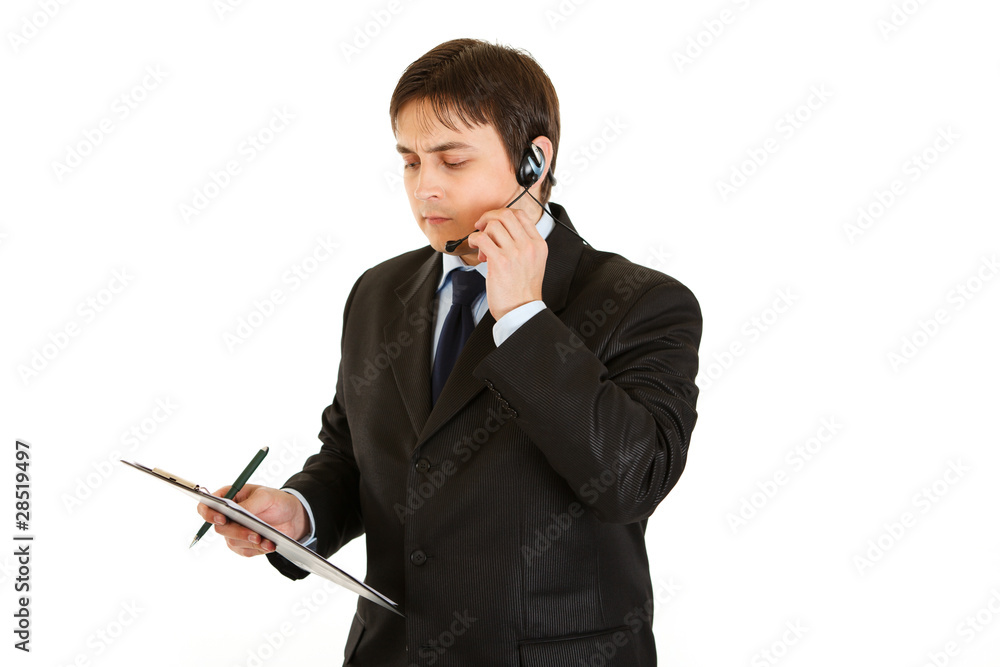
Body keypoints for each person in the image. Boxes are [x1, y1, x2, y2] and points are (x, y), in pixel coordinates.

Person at [197, 37, 702, 666]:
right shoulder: (379, 291)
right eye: (410, 162)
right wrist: (296, 515)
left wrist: (523, 316)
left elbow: (632, 481)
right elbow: (356, 457)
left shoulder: (643, 302)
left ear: (533, 162)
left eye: (452, 161)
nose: (424, 189)